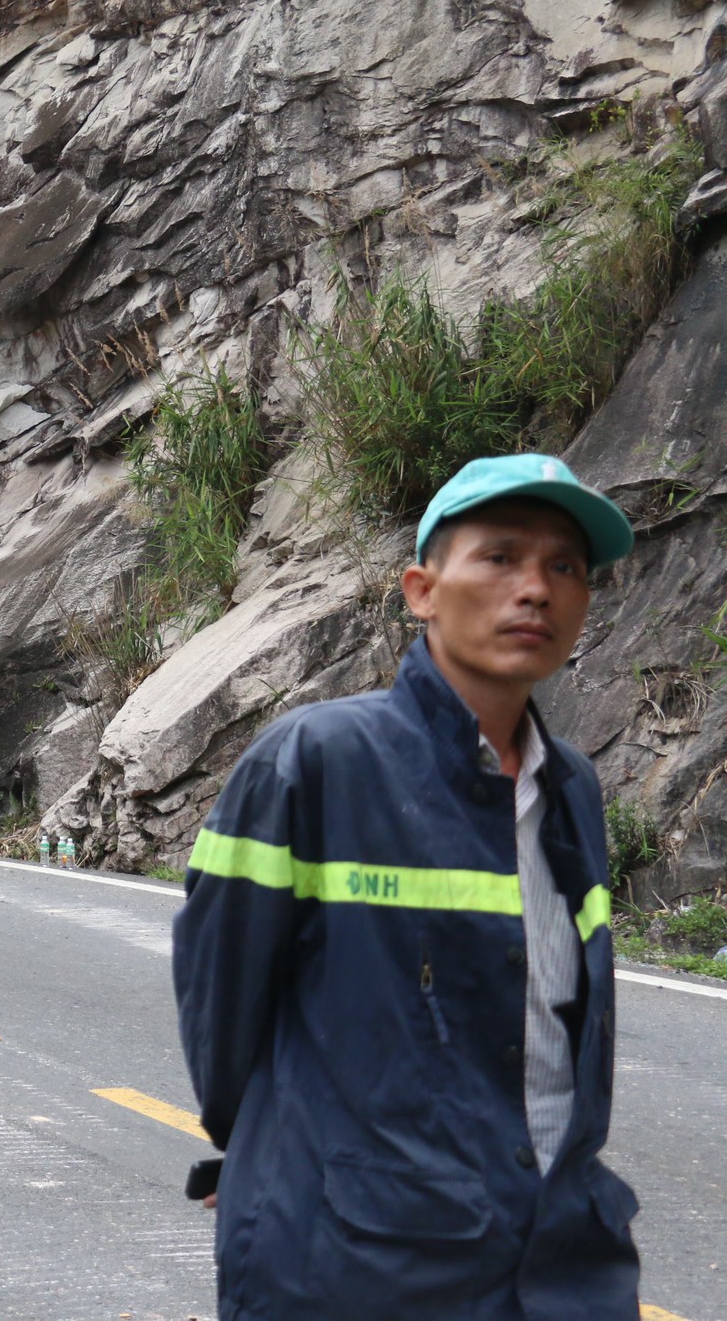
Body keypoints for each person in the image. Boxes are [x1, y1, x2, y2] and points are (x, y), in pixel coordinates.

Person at [172, 454, 640, 1319]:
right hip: (360, 1266)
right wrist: (281, 1155)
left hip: (558, 1263)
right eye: (500, 557)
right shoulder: (313, 762)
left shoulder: (572, 787)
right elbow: (221, 1007)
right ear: (421, 591)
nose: (536, 589)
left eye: (565, 566)